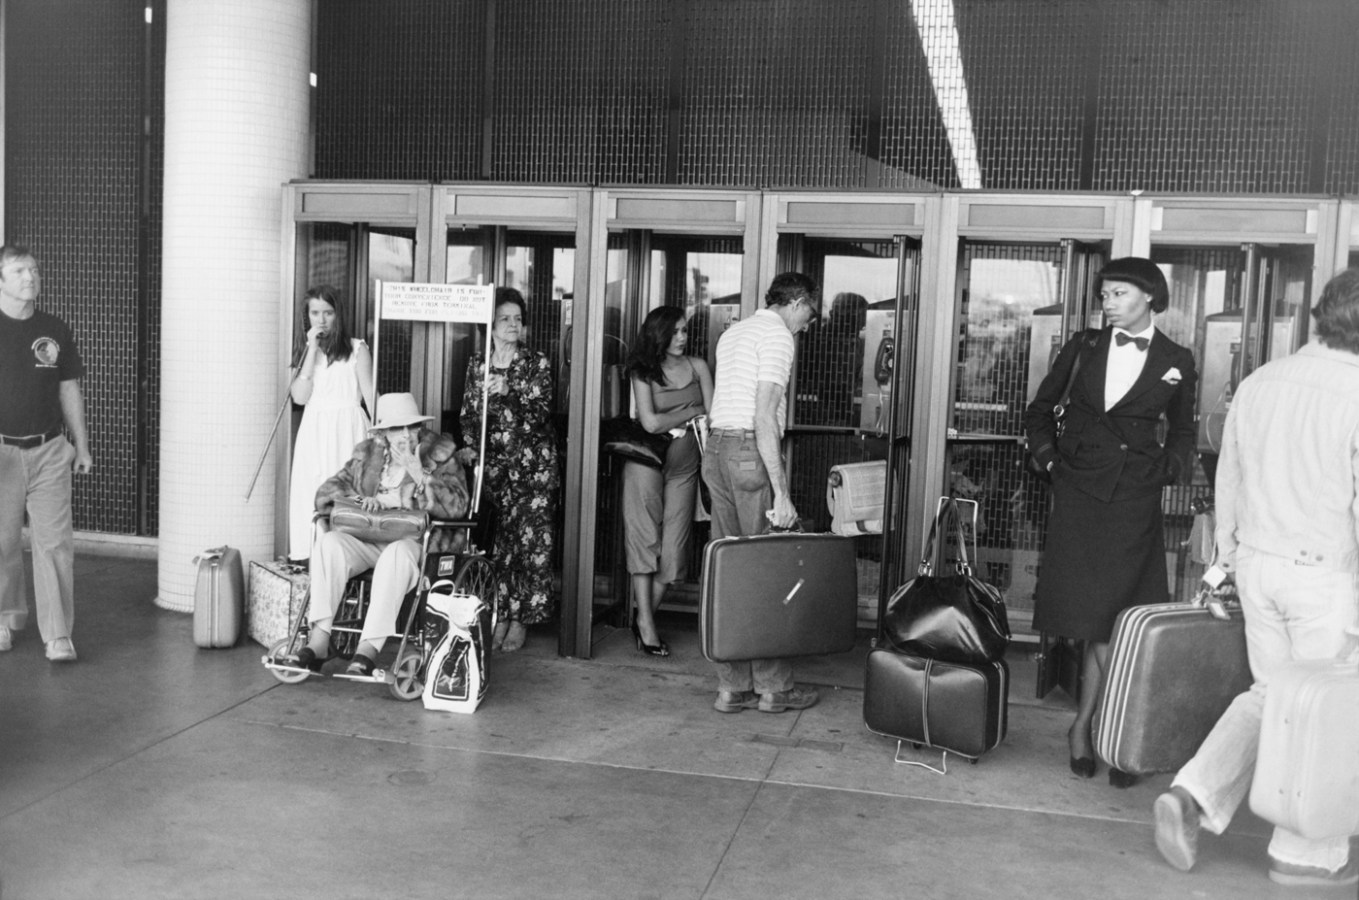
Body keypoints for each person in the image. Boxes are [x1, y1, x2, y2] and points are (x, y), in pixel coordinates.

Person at [1152, 269, 1359, 889]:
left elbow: (1229, 485)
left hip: (1259, 567)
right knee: (1328, 709)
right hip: (1327, 576)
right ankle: (1304, 853)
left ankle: (1193, 793)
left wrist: (1229, 561)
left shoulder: (1261, 382)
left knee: (1273, 696)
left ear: (1320, 314)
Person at [1023, 256, 1197, 786]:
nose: (1107, 302)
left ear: (1149, 297)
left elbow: (1185, 430)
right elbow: (1038, 409)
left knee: (1124, 623)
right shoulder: (1084, 347)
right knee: (1094, 621)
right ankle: (1090, 731)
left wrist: (1163, 471)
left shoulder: (1176, 358)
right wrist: (1051, 461)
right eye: (1104, 294)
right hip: (1079, 492)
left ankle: (1101, 732)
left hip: (1132, 499)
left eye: (1118, 293)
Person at [700, 271, 822, 714]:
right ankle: (774, 687)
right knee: (769, 573)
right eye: (810, 312)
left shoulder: (734, 333)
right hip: (750, 452)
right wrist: (782, 493)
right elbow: (765, 416)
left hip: (716, 451)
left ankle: (732, 688)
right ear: (796, 302)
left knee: (731, 572)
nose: (809, 322)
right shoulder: (777, 338)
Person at [290, 393, 469, 676]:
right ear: (385, 432)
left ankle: (367, 651)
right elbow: (327, 493)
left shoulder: (440, 455)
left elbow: (458, 505)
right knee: (329, 543)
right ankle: (319, 641)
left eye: (412, 427)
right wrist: (362, 503)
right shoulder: (368, 453)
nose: (406, 434)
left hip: (413, 544)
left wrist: (419, 475)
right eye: (398, 428)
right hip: (367, 541)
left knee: (396, 555)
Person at [0, 244, 92, 662]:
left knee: (54, 544)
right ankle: (4, 617)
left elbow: (68, 388)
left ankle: (57, 634)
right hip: (1, 452)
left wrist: (81, 445)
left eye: (34, 270)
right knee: (2, 543)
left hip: (50, 450)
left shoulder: (54, 329)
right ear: (1, 279)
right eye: (19, 270)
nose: (30, 277)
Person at [460, 287, 560, 653]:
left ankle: (522, 620)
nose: (513, 325)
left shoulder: (536, 363)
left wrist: (509, 390)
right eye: (505, 318)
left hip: (533, 470)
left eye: (518, 319)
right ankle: (501, 614)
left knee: (531, 546)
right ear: (490, 324)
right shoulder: (478, 363)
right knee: (501, 547)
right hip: (496, 470)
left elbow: (540, 414)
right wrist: (471, 444)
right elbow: (469, 413)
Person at [621, 307, 713, 656]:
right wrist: (692, 410)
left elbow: (714, 411)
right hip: (646, 463)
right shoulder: (642, 371)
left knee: (674, 550)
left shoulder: (698, 366)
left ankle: (643, 616)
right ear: (658, 334)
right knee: (644, 541)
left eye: (685, 331)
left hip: (686, 467)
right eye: (675, 332)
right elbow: (650, 423)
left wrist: (690, 414)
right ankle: (646, 625)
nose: (682, 337)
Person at [287, 286, 374, 562]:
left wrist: (386, 433)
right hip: (314, 431)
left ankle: (346, 558)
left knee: (346, 493)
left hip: (347, 428)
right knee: (311, 492)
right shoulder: (305, 353)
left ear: (338, 315)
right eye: (315, 313)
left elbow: (371, 395)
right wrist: (311, 349)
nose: (321, 320)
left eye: (328, 313)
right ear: (307, 316)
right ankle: (311, 558)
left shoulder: (356, 348)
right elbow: (299, 397)